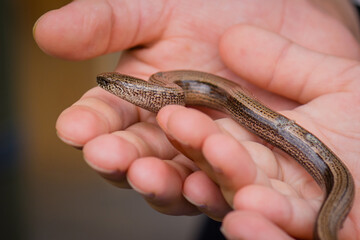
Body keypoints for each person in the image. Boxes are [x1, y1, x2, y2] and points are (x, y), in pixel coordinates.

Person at [34, 0, 360, 239]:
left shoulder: (165, 87)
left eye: (110, 85)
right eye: (108, 85)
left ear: (126, 89)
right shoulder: (165, 86)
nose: (107, 87)